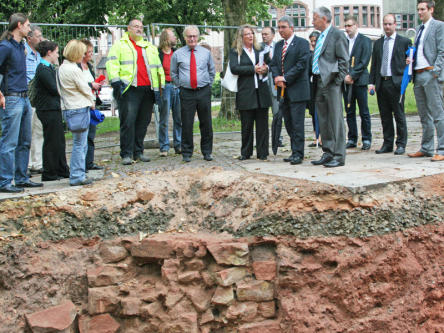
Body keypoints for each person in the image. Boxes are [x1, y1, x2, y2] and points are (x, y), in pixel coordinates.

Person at [106, 18, 165, 165]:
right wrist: (116, 82)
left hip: (148, 89)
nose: (139, 29)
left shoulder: (149, 47)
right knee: (128, 122)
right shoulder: (119, 45)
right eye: (136, 26)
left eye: (141, 27)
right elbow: (112, 63)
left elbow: (158, 68)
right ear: (128, 28)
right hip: (129, 89)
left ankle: (138, 152)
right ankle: (126, 153)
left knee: (143, 122)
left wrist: (160, 88)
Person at [0, 13, 43, 193]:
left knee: (24, 141)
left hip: (24, 97)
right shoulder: (5, 47)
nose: (29, 28)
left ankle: (21, 177)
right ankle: (5, 181)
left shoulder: (20, 47)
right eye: (27, 25)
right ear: (19, 25)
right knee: (9, 142)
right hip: (12, 97)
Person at [170, 25, 215, 163]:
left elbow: (211, 71)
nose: (192, 38)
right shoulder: (177, 54)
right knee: (187, 123)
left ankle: (207, 152)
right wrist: (181, 85)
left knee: (206, 123)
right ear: (184, 38)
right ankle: (187, 152)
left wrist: (207, 84)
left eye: (194, 36)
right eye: (189, 36)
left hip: (203, 91)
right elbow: (173, 73)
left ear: (198, 37)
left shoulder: (205, 53)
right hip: (186, 93)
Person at [311, 7, 349, 168]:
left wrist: (338, 81)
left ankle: (339, 155)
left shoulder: (337, 34)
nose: (312, 21)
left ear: (324, 19)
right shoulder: (320, 36)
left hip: (332, 82)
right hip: (319, 81)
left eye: (315, 18)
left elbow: (344, 60)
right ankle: (328, 151)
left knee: (335, 119)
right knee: (323, 118)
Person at [270, 16, 310, 165]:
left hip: (297, 89)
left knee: (297, 123)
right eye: (279, 27)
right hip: (283, 91)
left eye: (283, 27)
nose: (280, 30)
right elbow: (274, 64)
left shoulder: (302, 43)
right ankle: (294, 151)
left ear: (291, 28)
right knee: (288, 123)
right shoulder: (279, 45)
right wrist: (277, 78)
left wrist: (285, 78)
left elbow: (301, 64)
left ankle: (299, 153)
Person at [369, 14, 411, 155]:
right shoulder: (379, 43)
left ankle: (401, 144)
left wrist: (405, 78)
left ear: (395, 25)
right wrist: (371, 82)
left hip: (396, 83)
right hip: (382, 83)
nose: (387, 27)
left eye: (389, 24)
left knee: (399, 114)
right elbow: (374, 64)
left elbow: (410, 61)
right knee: (385, 116)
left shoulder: (404, 41)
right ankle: (387, 144)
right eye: (385, 24)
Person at [408, 0, 444, 162]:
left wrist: (436, 71)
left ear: (431, 9)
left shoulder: (438, 26)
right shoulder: (419, 29)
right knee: (424, 115)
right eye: (418, 9)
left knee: (437, 114)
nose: (420, 12)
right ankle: (426, 147)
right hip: (418, 74)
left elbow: (442, 51)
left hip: (431, 74)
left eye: (422, 9)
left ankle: (442, 149)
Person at [230, 25, 271, 160]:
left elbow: (269, 64)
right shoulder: (236, 51)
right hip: (246, 92)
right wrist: (253, 69)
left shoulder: (260, 49)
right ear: (241, 37)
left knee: (262, 125)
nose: (250, 36)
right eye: (247, 34)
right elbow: (234, 68)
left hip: (261, 92)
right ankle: (246, 152)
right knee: (246, 125)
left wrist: (265, 69)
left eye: (252, 33)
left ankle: (263, 152)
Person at [58, 39, 95, 186]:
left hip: (69, 107)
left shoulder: (62, 68)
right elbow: (84, 88)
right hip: (79, 107)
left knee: (78, 142)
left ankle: (77, 173)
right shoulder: (74, 69)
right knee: (80, 144)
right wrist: (91, 100)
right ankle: (77, 175)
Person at [33, 40, 70, 181]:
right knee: (51, 140)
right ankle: (49, 171)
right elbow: (54, 88)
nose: (57, 55)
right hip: (47, 108)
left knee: (59, 140)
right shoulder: (43, 69)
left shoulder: (49, 68)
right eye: (56, 52)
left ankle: (61, 168)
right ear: (49, 53)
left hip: (53, 107)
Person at [343, 16, 372, 151]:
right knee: (349, 111)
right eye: (346, 26)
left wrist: (353, 75)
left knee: (364, 111)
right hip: (346, 82)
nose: (347, 28)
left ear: (356, 26)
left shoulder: (365, 41)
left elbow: (364, 61)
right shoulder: (343, 41)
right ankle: (352, 138)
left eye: (350, 25)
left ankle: (366, 138)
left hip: (359, 81)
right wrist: (345, 76)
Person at [79, 39, 104, 171]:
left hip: (92, 102)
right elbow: (78, 84)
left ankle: (89, 162)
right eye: (88, 52)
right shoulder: (76, 67)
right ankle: (82, 164)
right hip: (82, 104)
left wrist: (97, 85)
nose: (90, 54)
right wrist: (91, 85)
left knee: (91, 135)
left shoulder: (89, 67)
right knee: (83, 136)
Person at [157, 28, 182, 156]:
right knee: (164, 118)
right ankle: (164, 147)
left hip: (177, 87)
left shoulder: (177, 53)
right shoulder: (158, 54)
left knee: (179, 118)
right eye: (173, 36)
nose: (175, 38)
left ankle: (179, 144)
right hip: (165, 87)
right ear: (166, 38)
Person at [25, 25, 44, 174]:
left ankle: (37, 163)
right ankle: (27, 163)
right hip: (27, 96)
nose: (41, 39)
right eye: (38, 36)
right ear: (29, 38)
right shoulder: (23, 52)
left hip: (39, 97)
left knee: (38, 130)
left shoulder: (39, 54)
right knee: (27, 131)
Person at [261, 26, 282, 148]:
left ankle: (277, 137)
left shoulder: (278, 47)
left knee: (277, 111)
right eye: (263, 34)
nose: (264, 36)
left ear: (273, 35)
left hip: (274, 83)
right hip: (262, 84)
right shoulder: (258, 48)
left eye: (266, 34)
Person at [307, 31, 321, 148]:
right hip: (311, 86)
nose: (313, 43)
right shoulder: (308, 54)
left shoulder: (321, 53)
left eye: (315, 41)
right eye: (311, 41)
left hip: (320, 85)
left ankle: (322, 137)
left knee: (321, 111)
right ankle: (316, 136)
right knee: (313, 112)